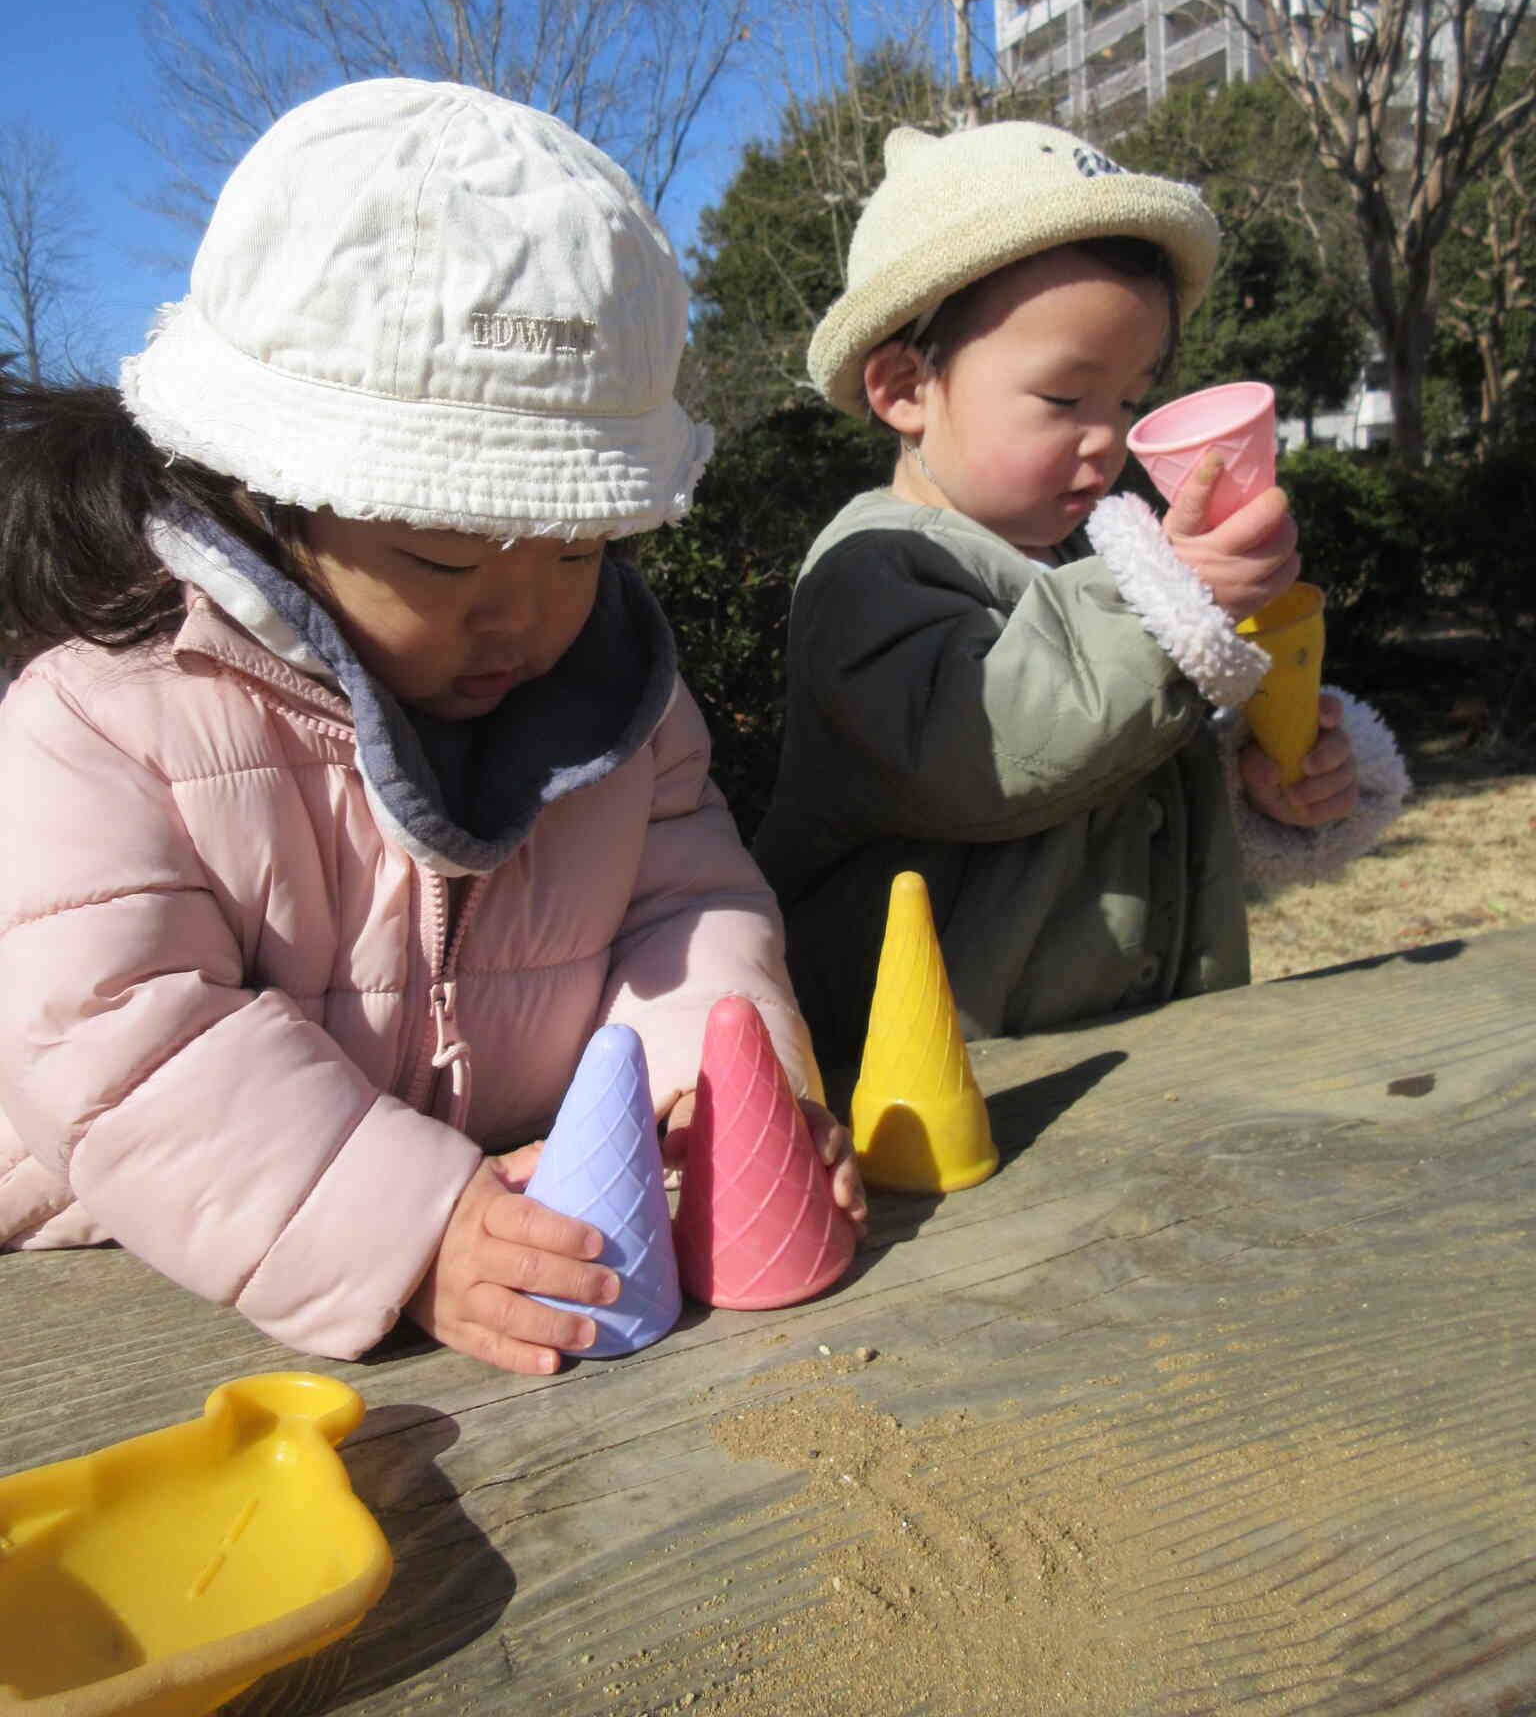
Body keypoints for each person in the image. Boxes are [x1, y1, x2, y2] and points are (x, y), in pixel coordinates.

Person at [0, 79, 863, 1370]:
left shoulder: (620, 699)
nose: (521, 622)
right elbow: (119, 1030)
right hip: (120, 1282)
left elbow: (684, 908)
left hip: (515, 1229)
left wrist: (711, 1092)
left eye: (577, 554)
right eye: (442, 564)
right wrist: (409, 1225)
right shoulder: (110, 713)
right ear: (272, 489)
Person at [754, 120, 1409, 1071]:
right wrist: (1166, 602)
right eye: (1065, 399)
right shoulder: (869, 570)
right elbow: (996, 749)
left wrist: (1252, 785)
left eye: (1130, 400)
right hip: (950, 1092)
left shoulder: (1087, 561)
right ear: (904, 387)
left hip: (1149, 1059)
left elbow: (1116, 782)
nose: (1107, 440)